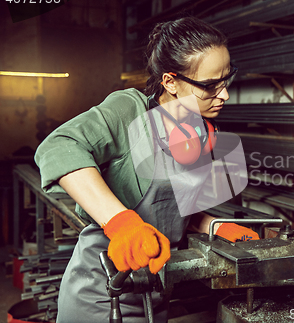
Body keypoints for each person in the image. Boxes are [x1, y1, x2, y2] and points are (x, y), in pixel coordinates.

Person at [34, 16, 259, 323]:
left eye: (226, 79)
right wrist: (121, 223)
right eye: (209, 86)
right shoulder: (129, 111)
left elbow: (173, 209)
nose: (224, 94)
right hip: (103, 295)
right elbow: (58, 147)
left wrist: (215, 226)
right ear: (170, 82)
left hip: (155, 295)